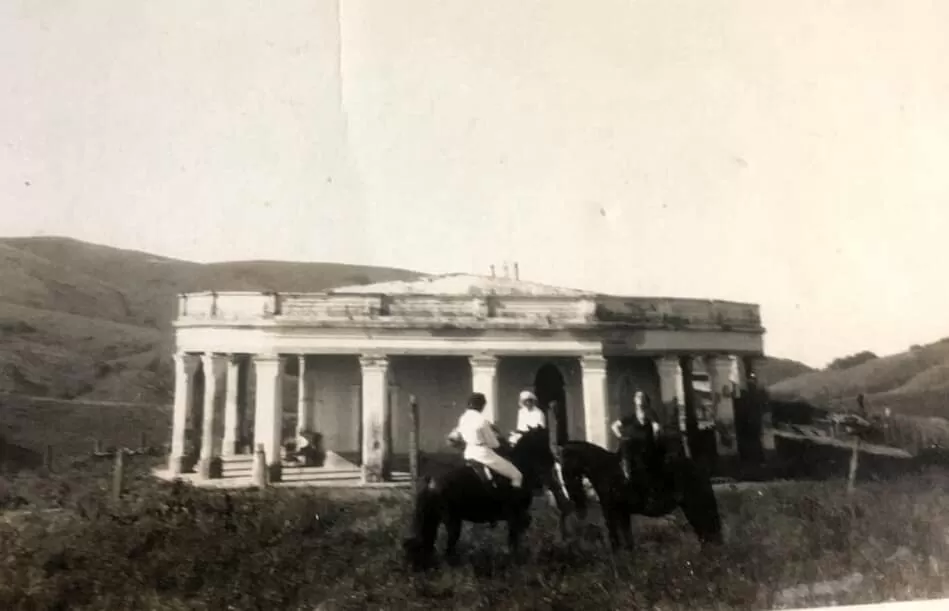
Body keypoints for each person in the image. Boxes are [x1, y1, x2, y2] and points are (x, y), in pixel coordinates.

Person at [449, 392, 523, 488]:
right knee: (517, 476)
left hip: (469, 453)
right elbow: (494, 444)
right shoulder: (482, 420)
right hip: (483, 454)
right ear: (482, 406)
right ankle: (515, 500)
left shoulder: (463, 418)